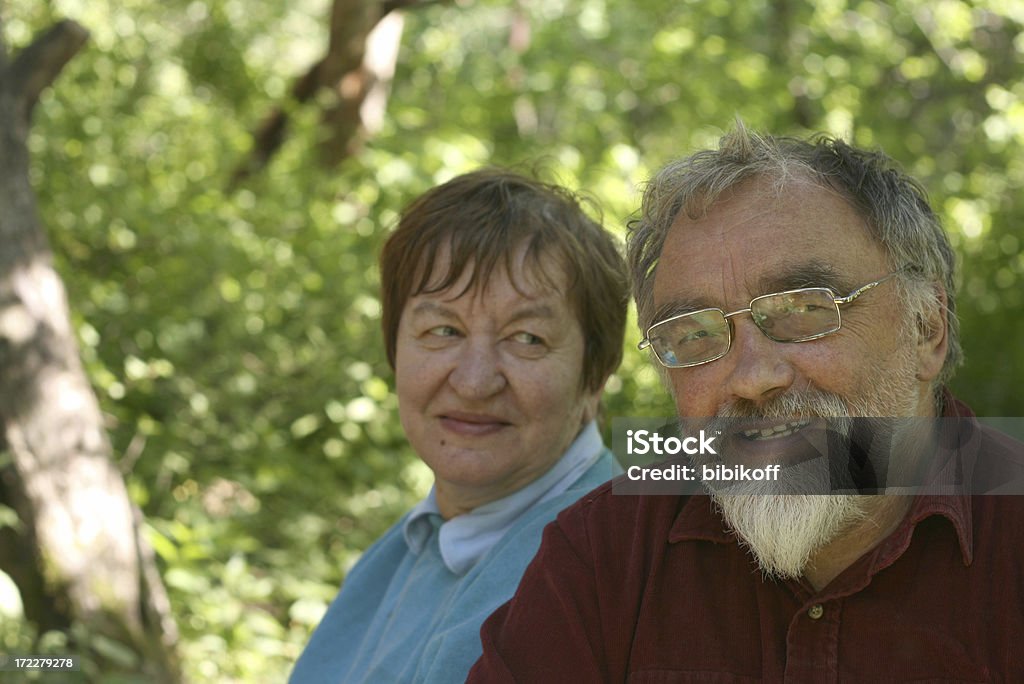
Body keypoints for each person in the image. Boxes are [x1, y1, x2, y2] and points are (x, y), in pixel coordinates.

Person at [468, 126, 1024, 681]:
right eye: (695, 335)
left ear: (926, 327)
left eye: (805, 310)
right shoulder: (603, 556)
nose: (753, 378)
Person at [289, 169, 628, 682]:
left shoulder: (616, 569)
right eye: (443, 330)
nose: (474, 382)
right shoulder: (402, 550)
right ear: (395, 351)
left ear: (593, 378)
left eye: (527, 338)